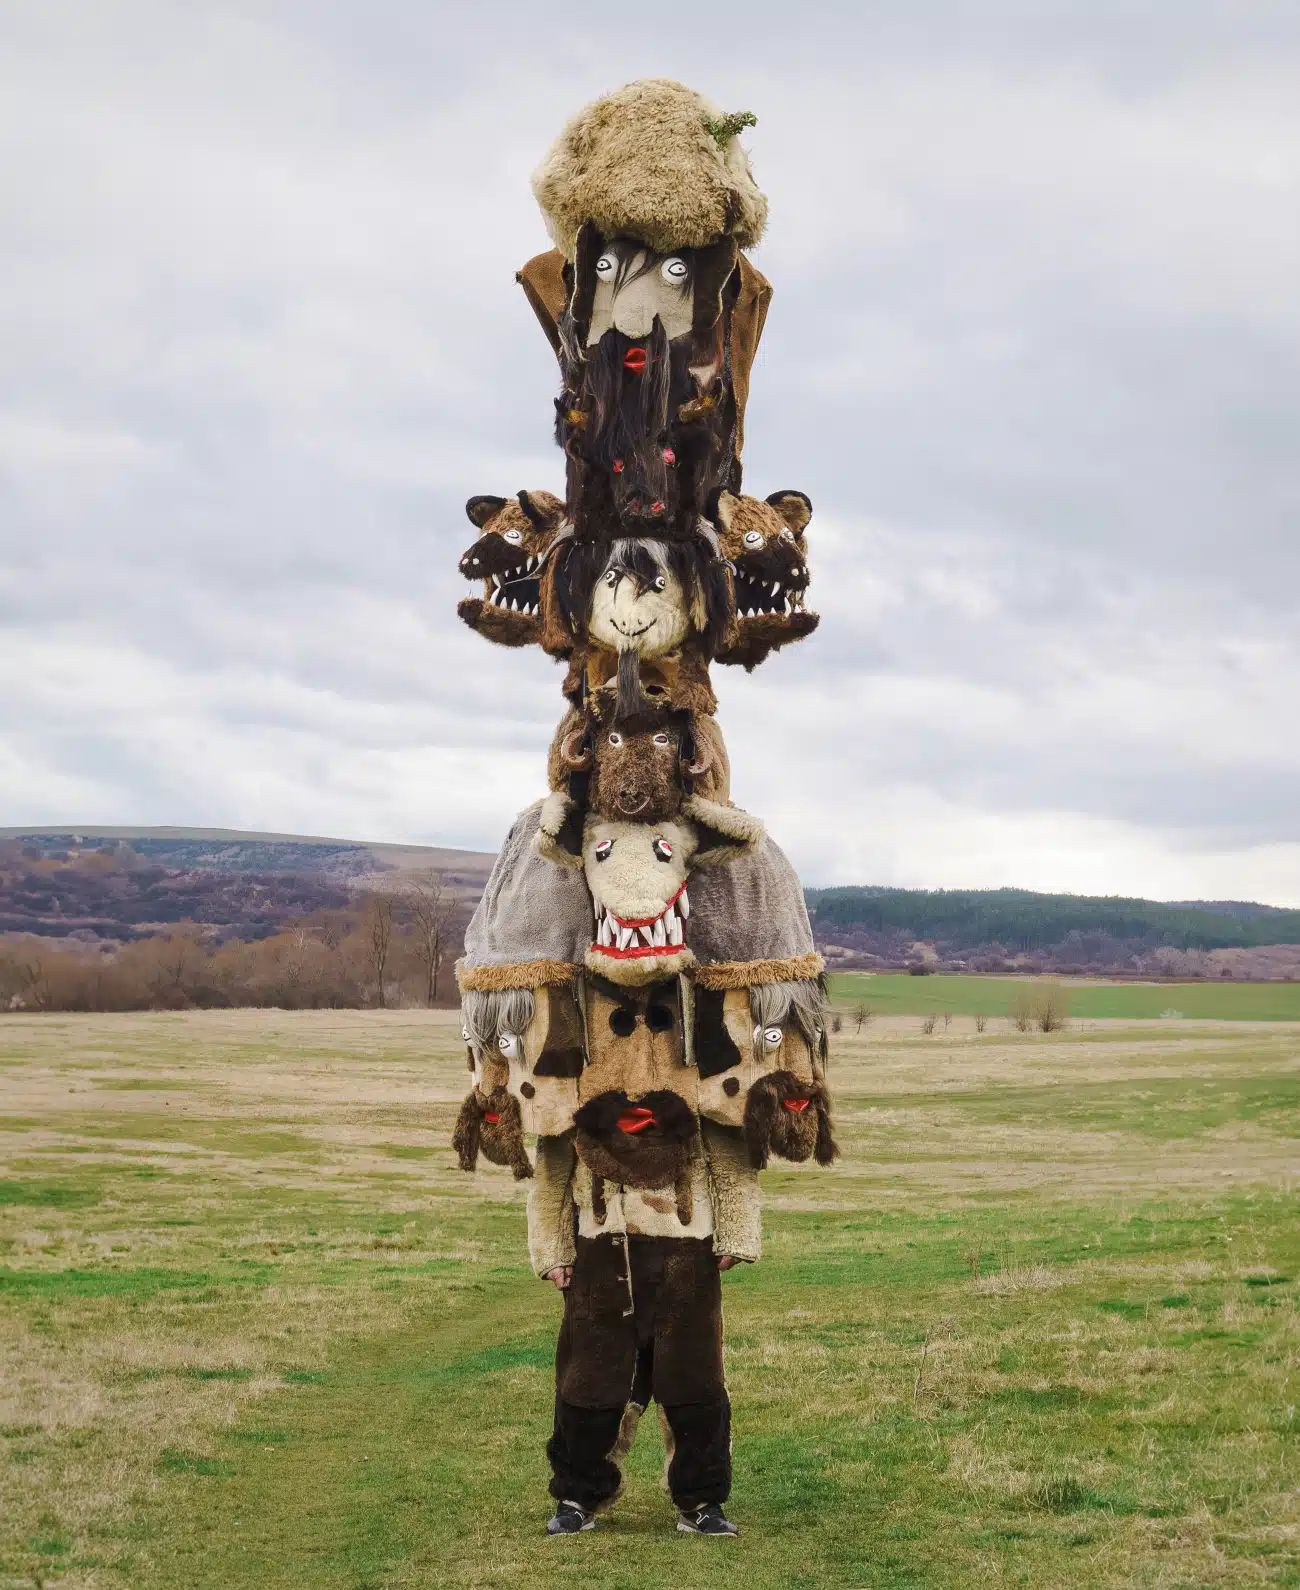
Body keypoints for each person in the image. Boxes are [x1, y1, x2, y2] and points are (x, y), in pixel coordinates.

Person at [527, 1118, 760, 1536]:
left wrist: (738, 1232)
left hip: (687, 1248)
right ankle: (578, 1496)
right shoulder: (582, 1064)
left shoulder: (696, 1066)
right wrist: (552, 1249)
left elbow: (731, 1148)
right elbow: (552, 1164)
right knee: (589, 1378)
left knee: (694, 1377)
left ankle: (701, 1500)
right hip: (599, 1247)